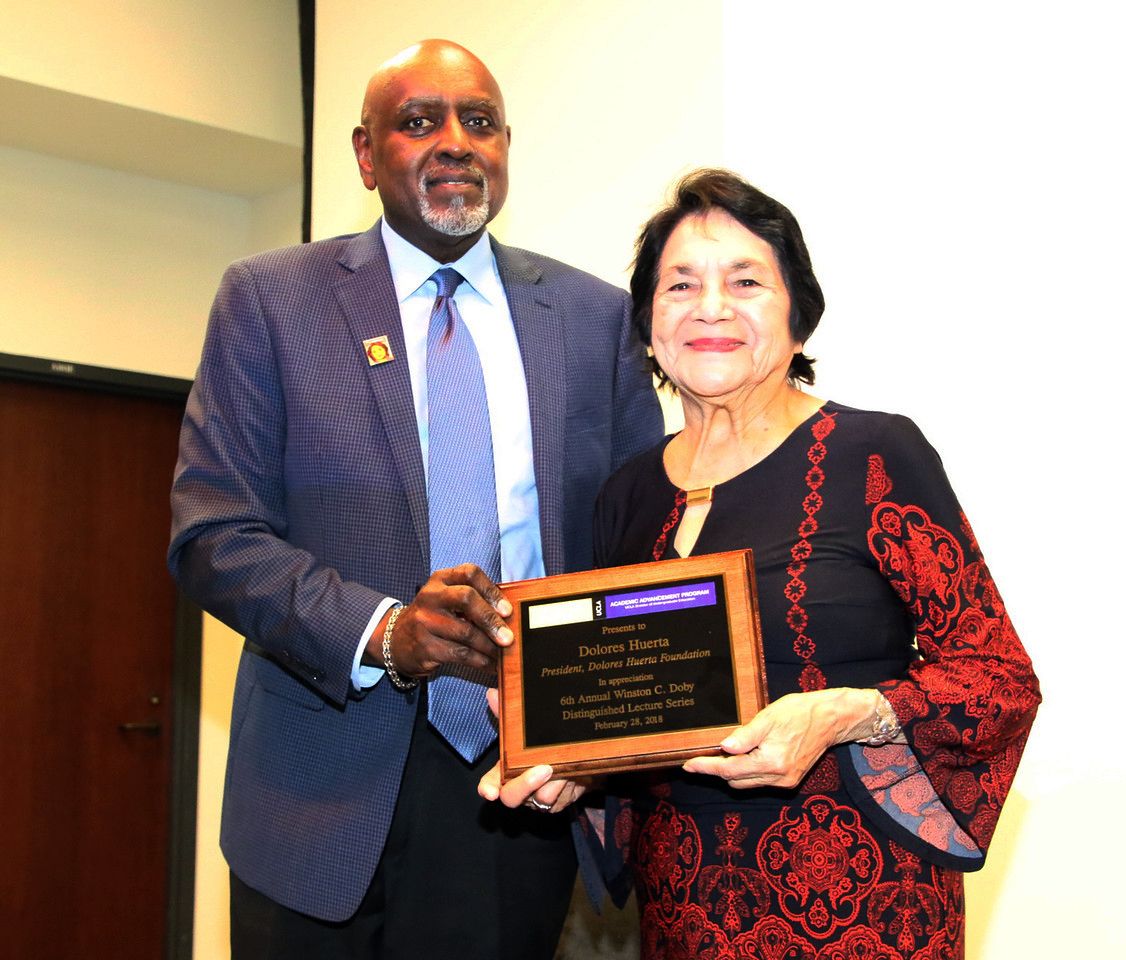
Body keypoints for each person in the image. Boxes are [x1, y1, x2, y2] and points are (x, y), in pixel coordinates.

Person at [168, 39, 662, 960]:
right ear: (365, 152)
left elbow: (645, 543)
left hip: (516, 789)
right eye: (418, 120)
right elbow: (214, 533)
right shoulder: (272, 301)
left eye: (478, 123)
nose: (453, 142)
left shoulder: (596, 320)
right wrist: (386, 632)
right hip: (314, 793)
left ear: (506, 146)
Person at [483, 169, 1040, 958]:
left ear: (799, 320)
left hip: (864, 904)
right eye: (680, 285)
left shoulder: (875, 455)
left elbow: (999, 681)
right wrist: (566, 757)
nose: (711, 307)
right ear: (649, 325)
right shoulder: (625, 495)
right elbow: (630, 708)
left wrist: (844, 713)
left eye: (745, 281)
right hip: (689, 908)